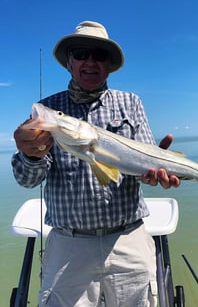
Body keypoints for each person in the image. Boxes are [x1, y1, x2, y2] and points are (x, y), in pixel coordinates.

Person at [12, 21, 180, 307]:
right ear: (69, 62)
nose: (90, 61)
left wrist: (156, 172)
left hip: (129, 239)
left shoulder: (131, 103)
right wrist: (31, 154)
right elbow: (28, 181)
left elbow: (144, 164)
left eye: (99, 55)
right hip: (68, 246)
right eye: (80, 53)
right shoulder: (49, 109)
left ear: (109, 64)